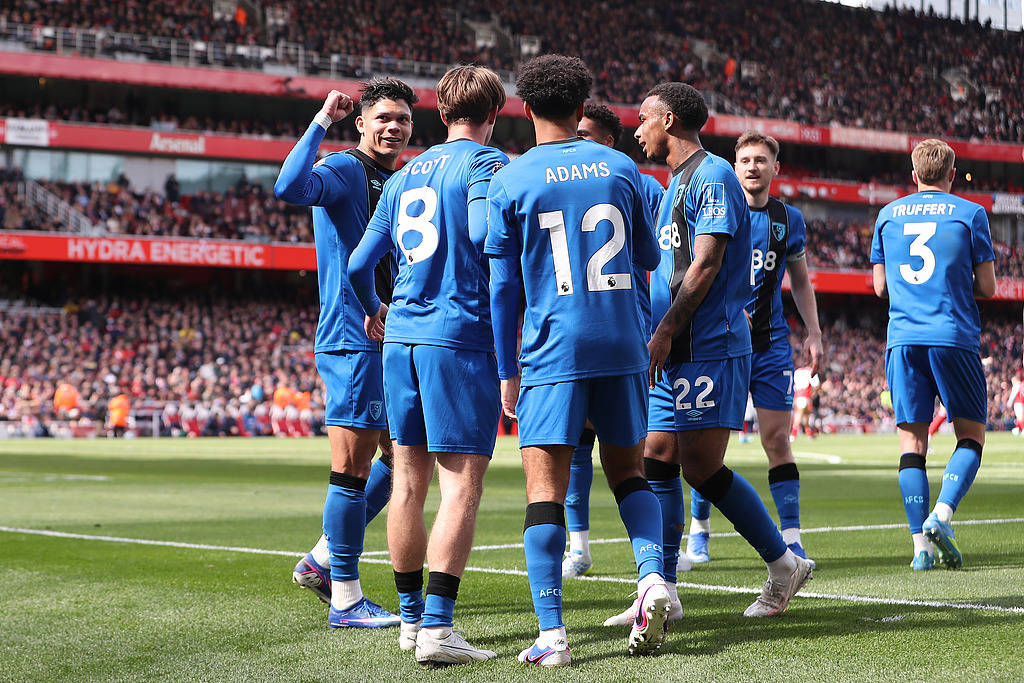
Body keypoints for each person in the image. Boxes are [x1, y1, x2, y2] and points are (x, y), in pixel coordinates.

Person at [486, 54, 670, 666]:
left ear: (526, 108)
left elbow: (503, 287)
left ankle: (553, 636)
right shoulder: (621, 167)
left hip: (553, 347)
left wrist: (506, 369)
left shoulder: (512, 178)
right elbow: (649, 257)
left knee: (545, 492)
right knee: (630, 474)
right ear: (581, 106)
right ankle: (652, 578)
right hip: (621, 343)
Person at [348, 65, 509, 667]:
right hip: (459, 337)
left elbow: (359, 265)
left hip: (402, 338)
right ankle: (438, 629)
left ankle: (411, 620)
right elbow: (484, 236)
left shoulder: (402, 176)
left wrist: (377, 309)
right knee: (461, 484)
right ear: (493, 115)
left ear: (441, 114)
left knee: (407, 484)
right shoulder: (488, 164)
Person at [635, 82, 812, 618]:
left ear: (668, 120)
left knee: (701, 468)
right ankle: (663, 590)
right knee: (656, 456)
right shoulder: (675, 182)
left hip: (707, 345)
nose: (637, 130)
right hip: (673, 348)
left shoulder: (712, 175)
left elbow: (707, 262)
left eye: (643, 119)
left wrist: (666, 329)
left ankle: (783, 563)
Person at [275, 78, 417, 627]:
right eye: (383, 118)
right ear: (361, 123)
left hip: (386, 334)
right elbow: (289, 187)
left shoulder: (398, 180)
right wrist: (320, 122)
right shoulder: (343, 168)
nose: (394, 127)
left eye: (403, 119)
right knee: (352, 468)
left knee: (400, 457)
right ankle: (346, 598)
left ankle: (321, 559)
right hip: (353, 337)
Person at [686, 132, 823, 567]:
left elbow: (800, 281)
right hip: (722, 343)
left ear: (774, 168)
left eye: (760, 160)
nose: (752, 167)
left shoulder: (788, 219)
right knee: (708, 444)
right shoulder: (717, 210)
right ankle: (699, 530)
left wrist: (815, 332)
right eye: (744, 159)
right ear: (734, 166)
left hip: (771, 345)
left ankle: (792, 537)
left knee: (777, 439)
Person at [561, 103, 678, 582]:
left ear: (610, 142)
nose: (576, 142)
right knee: (575, 445)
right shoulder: (560, 177)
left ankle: (672, 553)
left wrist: (662, 326)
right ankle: (579, 547)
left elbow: (665, 256)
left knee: (652, 453)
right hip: (575, 333)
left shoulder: (644, 186)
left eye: (585, 135)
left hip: (629, 333)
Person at [870, 138, 996, 571]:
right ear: (952, 174)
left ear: (914, 175)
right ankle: (941, 514)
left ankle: (920, 549)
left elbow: (880, 287)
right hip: (952, 335)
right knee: (971, 436)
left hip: (903, 338)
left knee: (912, 444)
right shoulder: (970, 213)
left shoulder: (887, 215)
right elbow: (989, 287)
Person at [790, 363, 819, 440]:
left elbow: (793, 384)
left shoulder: (797, 371)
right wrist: (813, 394)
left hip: (798, 395)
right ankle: (793, 434)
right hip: (805, 395)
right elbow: (816, 385)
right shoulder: (811, 371)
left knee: (806, 414)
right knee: (799, 415)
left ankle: (809, 433)